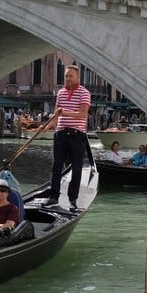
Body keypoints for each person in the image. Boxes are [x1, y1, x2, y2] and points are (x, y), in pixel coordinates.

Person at [49, 64, 91, 211]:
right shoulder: (60, 93)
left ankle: (72, 200)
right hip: (60, 134)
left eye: (70, 76)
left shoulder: (84, 93)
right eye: (66, 76)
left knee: (77, 168)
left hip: (76, 135)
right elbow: (56, 115)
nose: (67, 78)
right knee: (56, 166)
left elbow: (83, 114)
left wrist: (65, 113)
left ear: (77, 77)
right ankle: (53, 196)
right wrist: (46, 126)